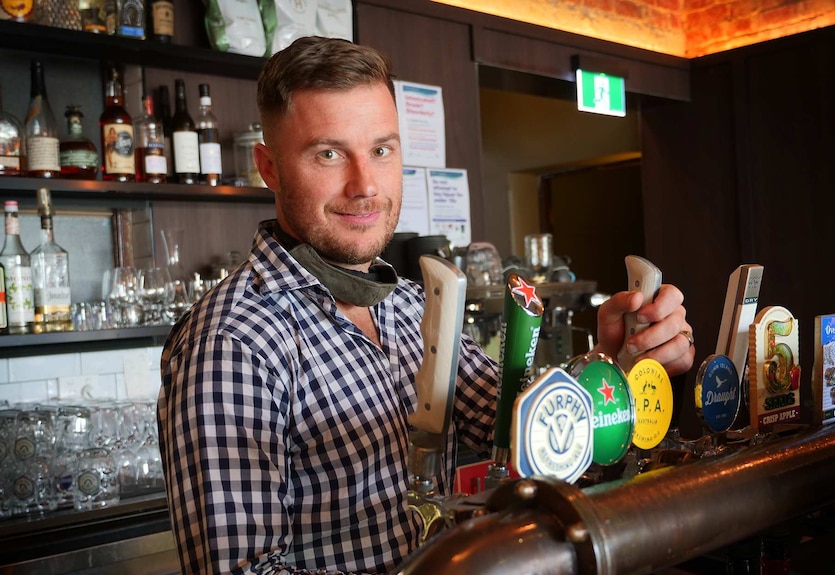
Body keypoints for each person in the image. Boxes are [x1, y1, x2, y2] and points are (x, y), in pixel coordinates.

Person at [157, 36, 696, 575]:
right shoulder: (232, 344)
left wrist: (612, 361)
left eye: (381, 150)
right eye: (328, 153)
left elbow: (519, 424)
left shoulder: (414, 308)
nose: (365, 184)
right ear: (269, 167)